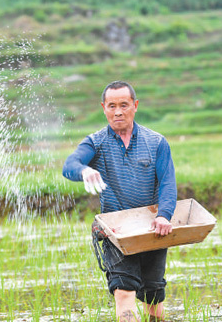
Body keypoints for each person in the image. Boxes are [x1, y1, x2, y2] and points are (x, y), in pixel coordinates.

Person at [62, 81, 177, 322]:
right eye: (111, 105)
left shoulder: (156, 142)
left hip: (152, 229)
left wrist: (164, 215)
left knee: (154, 301)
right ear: (103, 108)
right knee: (124, 292)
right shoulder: (95, 142)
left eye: (124, 105)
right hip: (115, 233)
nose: (118, 111)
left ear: (135, 106)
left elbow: (167, 184)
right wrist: (84, 171)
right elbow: (69, 165)